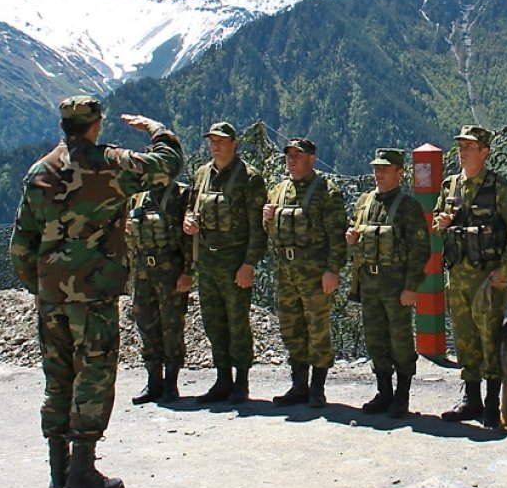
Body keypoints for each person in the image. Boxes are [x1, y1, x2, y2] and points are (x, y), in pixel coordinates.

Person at [10, 95, 182, 488]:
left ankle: (59, 473)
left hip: (52, 295)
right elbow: (168, 165)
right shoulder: (110, 164)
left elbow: (21, 246)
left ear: (63, 125)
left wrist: (43, 287)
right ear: (96, 125)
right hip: (95, 291)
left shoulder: (39, 172)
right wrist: (156, 130)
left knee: (58, 378)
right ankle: (83, 473)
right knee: (94, 375)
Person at [432, 124, 507, 429]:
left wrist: (505, 270)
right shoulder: (450, 185)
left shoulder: (498, 188)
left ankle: (492, 404)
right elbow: (436, 222)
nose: (462, 152)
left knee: (489, 340)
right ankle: (470, 399)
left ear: (484, 152)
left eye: (469, 147)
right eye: (461, 147)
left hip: (487, 279)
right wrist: (442, 221)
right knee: (464, 339)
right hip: (457, 275)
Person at [182, 121, 268, 404]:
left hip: (234, 260)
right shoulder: (201, 175)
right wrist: (189, 223)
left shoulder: (249, 178)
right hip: (207, 260)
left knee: (237, 321)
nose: (215, 146)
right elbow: (191, 209)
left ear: (234, 143)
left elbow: (258, 226)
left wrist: (249, 264)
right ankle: (222, 379)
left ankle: (241, 381)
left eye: (221, 141)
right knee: (213, 320)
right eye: (212, 141)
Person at [262, 137, 347, 407]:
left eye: (299, 155)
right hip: (285, 271)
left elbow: (337, 236)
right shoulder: (278, 191)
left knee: (317, 328)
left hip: (314, 272)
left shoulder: (326, 192)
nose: (292, 159)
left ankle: (317, 388)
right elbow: (274, 232)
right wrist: (266, 220)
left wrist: (332, 270)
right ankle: (298, 385)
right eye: (289, 155)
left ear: (312, 159)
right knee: (291, 328)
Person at [346, 148, 431, 417]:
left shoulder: (408, 207)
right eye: (376, 168)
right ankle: (383, 392)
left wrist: (411, 287)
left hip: (396, 286)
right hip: (369, 283)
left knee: (400, 340)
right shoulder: (364, 202)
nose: (379, 173)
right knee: (376, 339)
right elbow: (355, 235)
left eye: (385, 168)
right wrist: (351, 238)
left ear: (399, 172)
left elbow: (420, 250)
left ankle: (402, 395)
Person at [125, 177, 193, 405]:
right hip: (143, 271)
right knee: (146, 324)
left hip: (170, 270)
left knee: (172, 325)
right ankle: (153, 381)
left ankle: (171, 383)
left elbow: (190, 238)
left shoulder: (182, 194)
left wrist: (188, 271)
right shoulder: (138, 195)